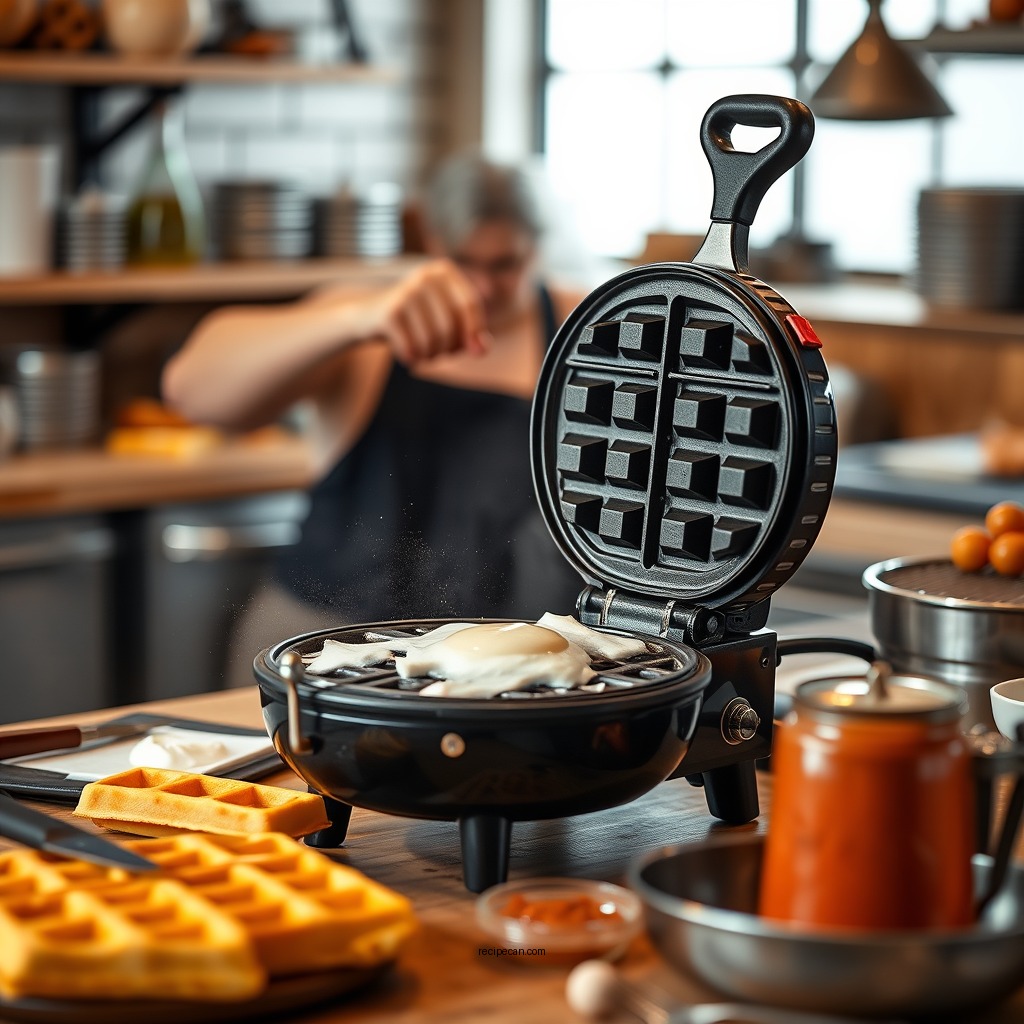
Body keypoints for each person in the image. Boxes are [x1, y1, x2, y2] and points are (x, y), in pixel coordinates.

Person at [161, 155, 588, 680]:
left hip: (504, 658)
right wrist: (355, 319)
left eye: (504, 265)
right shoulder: (365, 324)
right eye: (463, 261)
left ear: (536, 247)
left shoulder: (582, 327)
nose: (481, 288)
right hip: (323, 644)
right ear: (431, 238)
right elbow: (190, 390)